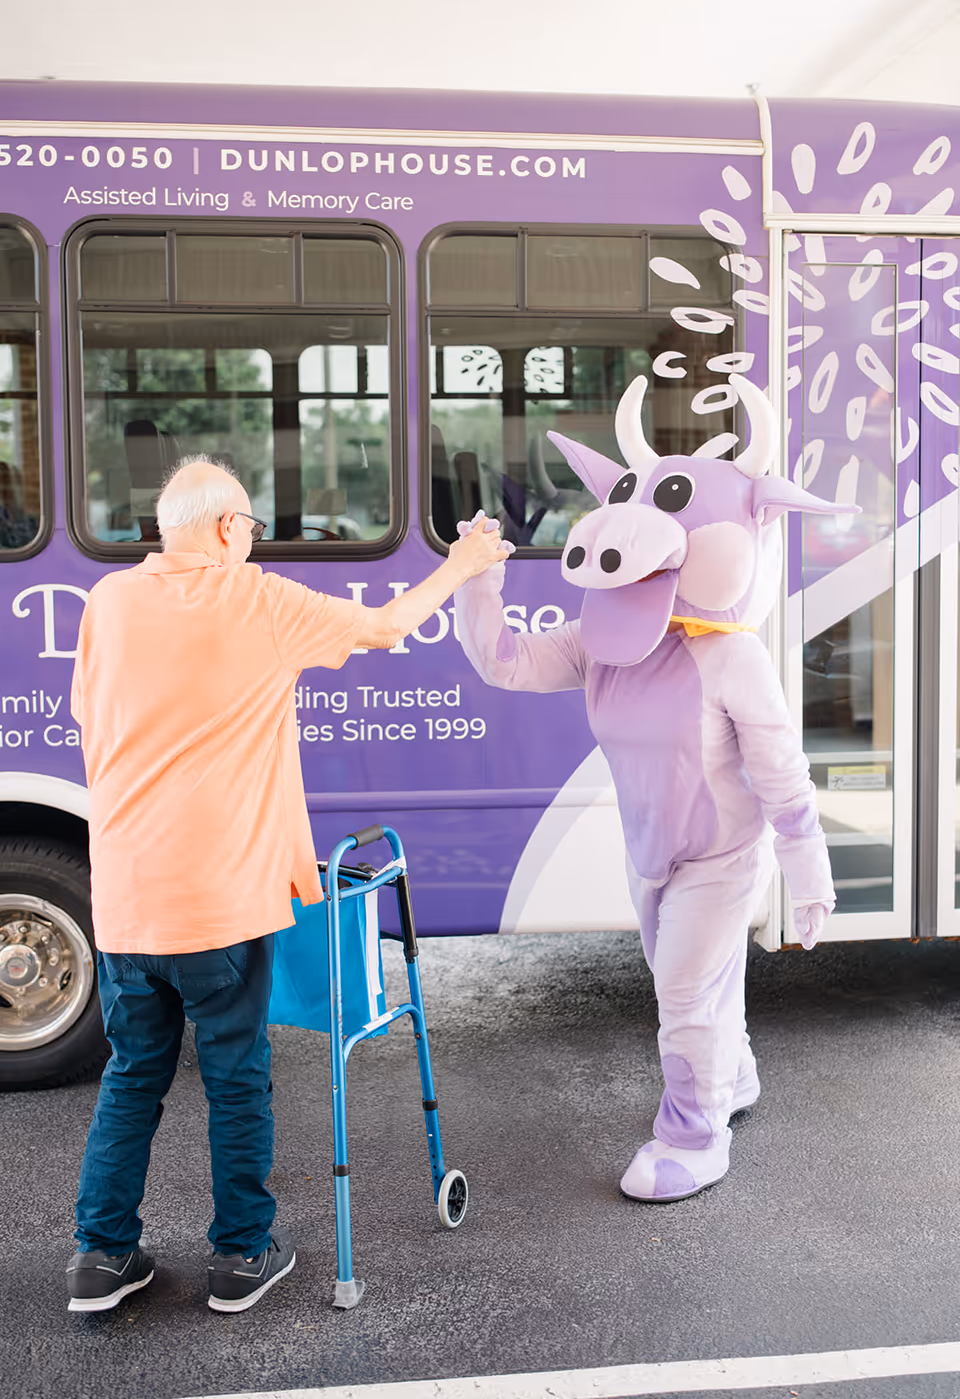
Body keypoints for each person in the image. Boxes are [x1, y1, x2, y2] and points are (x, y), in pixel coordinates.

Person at [66, 457, 507, 1314]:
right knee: (235, 1076)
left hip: (123, 899)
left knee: (132, 1076)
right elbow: (384, 628)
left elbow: (92, 718)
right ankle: (240, 1257)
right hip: (218, 903)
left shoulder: (108, 603)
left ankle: (101, 1258)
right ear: (230, 528)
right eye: (253, 528)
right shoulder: (256, 601)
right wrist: (464, 565)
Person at [455, 374, 849, 1204]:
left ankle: (693, 1138)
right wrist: (478, 584)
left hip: (722, 855)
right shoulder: (607, 643)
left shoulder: (733, 656)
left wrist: (808, 865)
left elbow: (780, 768)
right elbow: (507, 664)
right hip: (652, 855)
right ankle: (731, 1080)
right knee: (700, 988)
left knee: (683, 992)